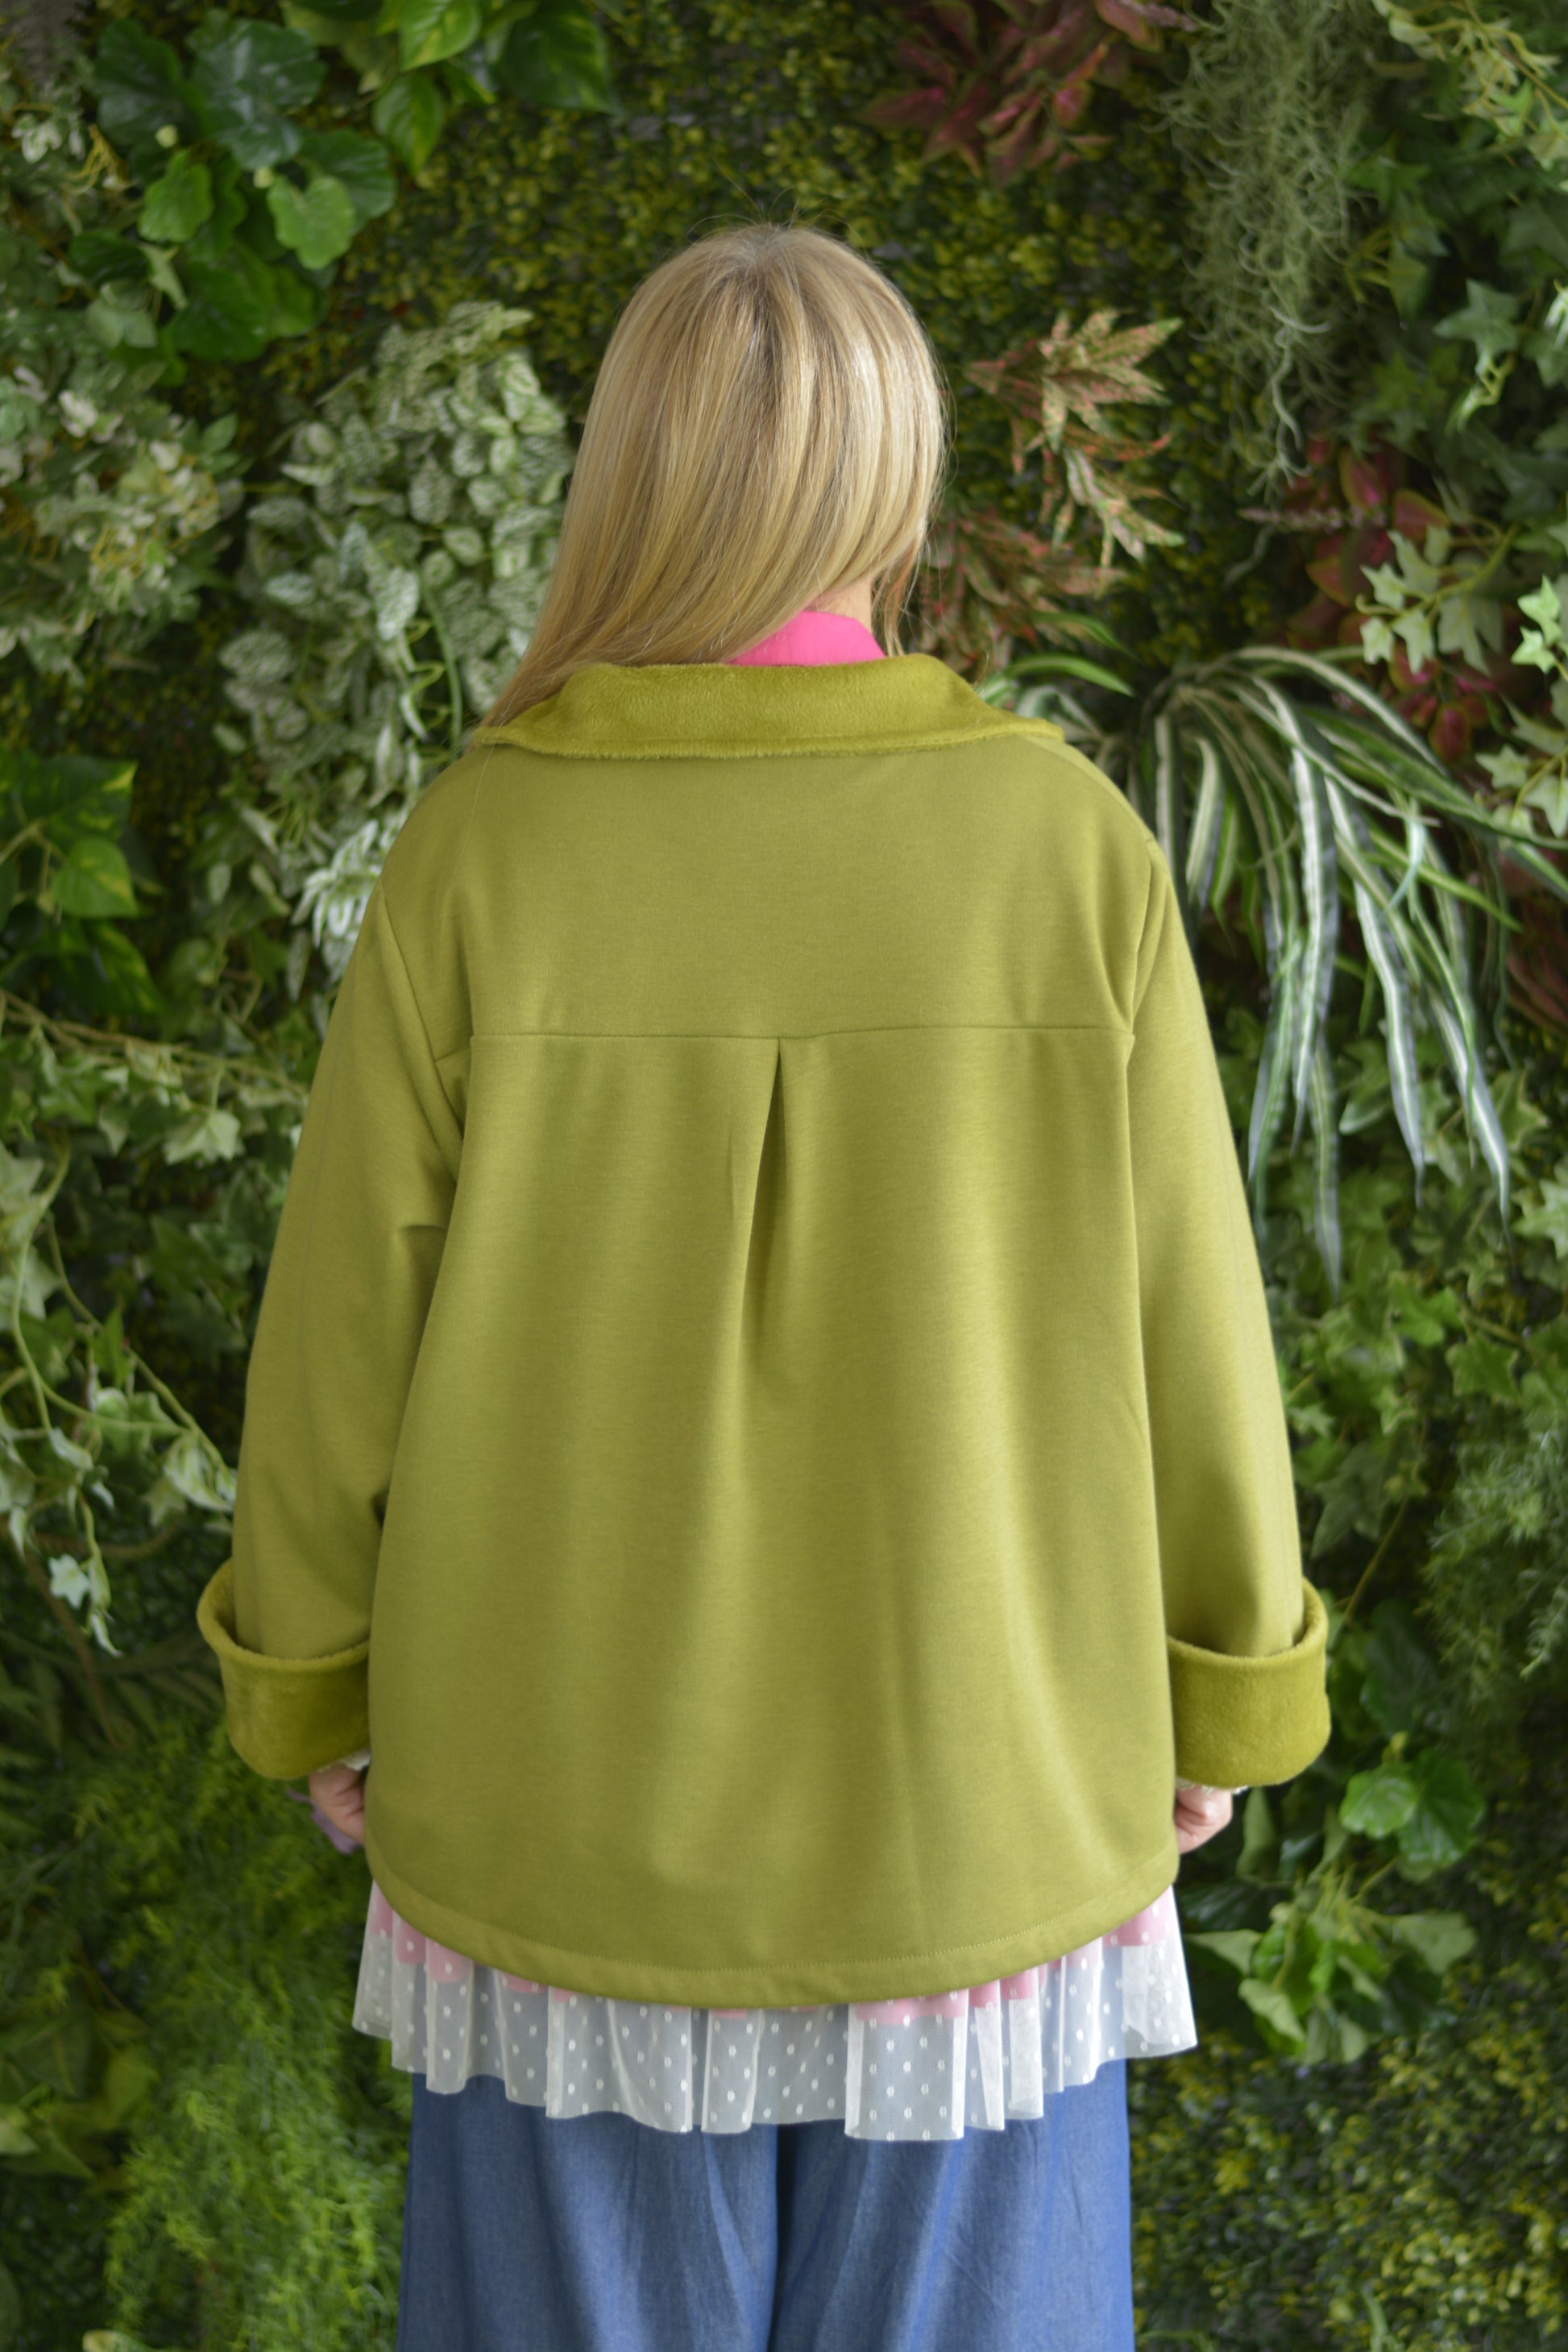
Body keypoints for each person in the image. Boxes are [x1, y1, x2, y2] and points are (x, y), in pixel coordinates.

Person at [197, 223, 1330, 2352]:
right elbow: (1193, 1319)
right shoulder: (1062, 848)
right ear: (900, 480)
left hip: (555, 1815)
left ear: (626, 474)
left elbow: (340, 1335)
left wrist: (316, 1693)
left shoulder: (480, 852)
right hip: (984, 1807)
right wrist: (1222, 1697)